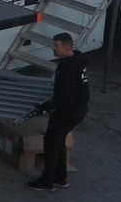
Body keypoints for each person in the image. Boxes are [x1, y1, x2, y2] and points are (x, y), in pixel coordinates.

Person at [27, 32, 90, 192]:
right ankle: (60, 178)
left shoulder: (67, 68)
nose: (53, 49)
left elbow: (66, 97)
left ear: (67, 48)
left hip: (69, 111)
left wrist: (46, 107)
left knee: (51, 143)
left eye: (56, 46)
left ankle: (47, 181)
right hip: (79, 108)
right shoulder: (78, 58)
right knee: (58, 141)